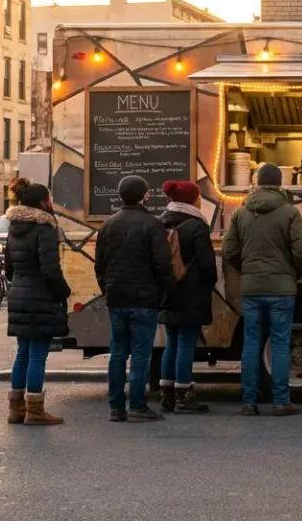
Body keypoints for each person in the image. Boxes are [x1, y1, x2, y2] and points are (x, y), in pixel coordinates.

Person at [224, 162, 302, 416]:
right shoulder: (289, 212)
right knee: (281, 343)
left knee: (251, 343)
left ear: (258, 183)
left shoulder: (240, 213)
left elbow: (230, 250)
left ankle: (249, 402)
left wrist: (248, 270)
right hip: (282, 287)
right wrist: (295, 272)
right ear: (280, 184)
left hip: (252, 287)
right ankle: (281, 401)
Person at [95, 175, 177, 423]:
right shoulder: (152, 224)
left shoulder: (108, 225)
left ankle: (116, 407)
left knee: (118, 353)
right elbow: (162, 263)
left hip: (117, 297)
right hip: (143, 298)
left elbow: (100, 265)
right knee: (141, 354)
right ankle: (139, 405)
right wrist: (166, 292)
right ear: (145, 195)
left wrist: (107, 289)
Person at [3, 178, 70, 426]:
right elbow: (50, 268)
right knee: (38, 355)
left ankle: (16, 408)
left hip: (19, 291)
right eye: (50, 198)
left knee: (23, 352)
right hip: (40, 294)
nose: (52, 203)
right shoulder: (45, 229)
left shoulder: (14, 227)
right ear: (43, 202)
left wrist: (19, 283)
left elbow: (8, 266)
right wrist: (63, 292)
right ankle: (35, 409)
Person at [157, 180, 219, 414]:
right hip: (191, 292)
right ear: (193, 200)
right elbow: (206, 263)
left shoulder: (161, 222)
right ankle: (184, 394)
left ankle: (167, 394)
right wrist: (210, 282)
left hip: (168, 291)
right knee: (186, 342)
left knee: (171, 342)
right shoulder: (197, 226)